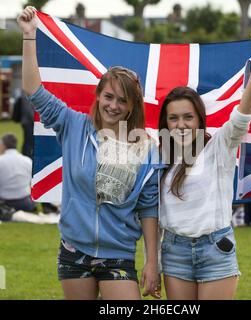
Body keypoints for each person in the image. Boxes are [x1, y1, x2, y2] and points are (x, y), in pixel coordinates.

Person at [17, 6, 163, 300]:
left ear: (133, 105)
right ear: (98, 96)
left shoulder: (147, 148)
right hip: (73, 252)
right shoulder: (72, 124)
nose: (114, 105)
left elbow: (149, 209)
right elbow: (34, 90)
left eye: (123, 100)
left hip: (118, 256)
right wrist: (29, 36)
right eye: (108, 97)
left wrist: (152, 260)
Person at [158, 46, 251, 299]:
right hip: (174, 251)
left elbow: (242, 116)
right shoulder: (159, 157)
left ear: (199, 119)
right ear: (165, 122)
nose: (181, 124)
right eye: (173, 118)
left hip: (215, 249)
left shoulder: (218, 146)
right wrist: (153, 262)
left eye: (188, 117)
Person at [0, 133, 36, 212]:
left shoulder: (1, 160)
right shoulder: (27, 161)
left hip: (5, 203)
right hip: (25, 203)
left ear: (3, 145)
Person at [12, 90, 34, 158]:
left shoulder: (24, 92)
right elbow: (28, 110)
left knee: (28, 141)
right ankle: (26, 157)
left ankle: (26, 156)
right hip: (29, 121)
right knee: (28, 141)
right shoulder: (28, 93)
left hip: (26, 121)